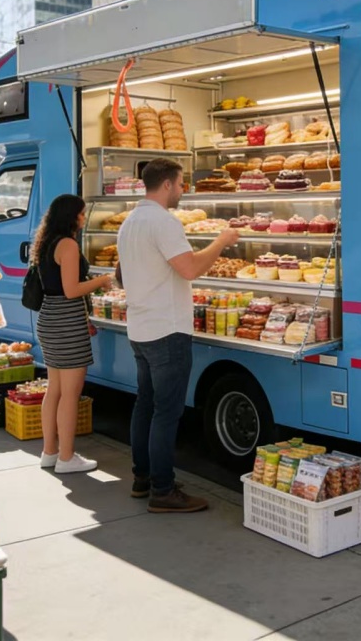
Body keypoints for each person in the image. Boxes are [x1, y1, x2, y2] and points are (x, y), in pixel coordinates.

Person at [117, 158, 240, 513]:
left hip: (140, 327)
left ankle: (143, 478)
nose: (183, 190)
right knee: (166, 413)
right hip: (167, 330)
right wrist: (222, 241)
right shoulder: (164, 222)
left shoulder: (129, 222)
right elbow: (189, 269)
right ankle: (163, 490)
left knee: (146, 405)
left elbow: (123, 275)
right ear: (168, 184)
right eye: (182, 183)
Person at [32, 194, 112, 474]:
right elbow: (71, 290)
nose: (84, 217)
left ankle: (50, 452)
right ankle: (67, 457)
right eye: (81, 213)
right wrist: (102, 280)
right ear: (71, 217)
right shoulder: (66, 245)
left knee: (54, 389)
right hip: (66, 320)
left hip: (49, 317)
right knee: (70, 393)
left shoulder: (45, 242)